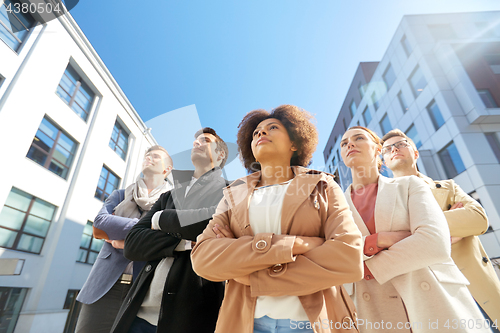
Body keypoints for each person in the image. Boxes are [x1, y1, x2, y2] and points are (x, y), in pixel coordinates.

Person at [191, 105, 364, 333]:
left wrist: (245, 268)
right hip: (246, 322)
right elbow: (203, 258)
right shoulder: (233, 193)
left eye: (272, 128)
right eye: (256, 133)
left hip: (311, 322)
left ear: (294, 143)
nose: (261, 133)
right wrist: (297, 245)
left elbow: (348, 259)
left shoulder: (323, 185)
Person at [340, 126, 491, 333]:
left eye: (358, 138)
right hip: (373, 309)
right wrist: (386, 238)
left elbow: (436, 241)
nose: (349, 144)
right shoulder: (335, 205)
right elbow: (335, 255)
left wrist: (366, 266)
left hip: (435, 295)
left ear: (377, 150)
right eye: (344, 142)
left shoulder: (413, 186)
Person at [110, 127, 228, 333]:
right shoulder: (168, 196)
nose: (197, 143)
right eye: (196, 141)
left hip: (190, 319)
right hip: (137, 314)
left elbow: (213, 223)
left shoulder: (231, 190)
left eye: (205, 141)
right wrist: (183, 243)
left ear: (221, 154)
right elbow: (132, 244)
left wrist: (160, 218)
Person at [381, 128, 500, 330]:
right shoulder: (382, 202)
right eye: (388, 148)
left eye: (401, 144)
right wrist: (448, 228)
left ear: (415, 153)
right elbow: (386, 248)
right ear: (384, 161)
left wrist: (418, 231)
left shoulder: (448, 187)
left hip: (474, 285)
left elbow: (479, 220)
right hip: (429, 292)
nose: (395, 149)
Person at [75, 145, 174, 333]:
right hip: (105, 284)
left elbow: (169, 238)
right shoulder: (120, 195)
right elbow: (100, 223)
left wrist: (124, 236)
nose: (149, 158)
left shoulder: (172, 204)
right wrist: (147, 228)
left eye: (155, 156)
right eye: (147, 155)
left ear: (166, 169)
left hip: (144, 288)